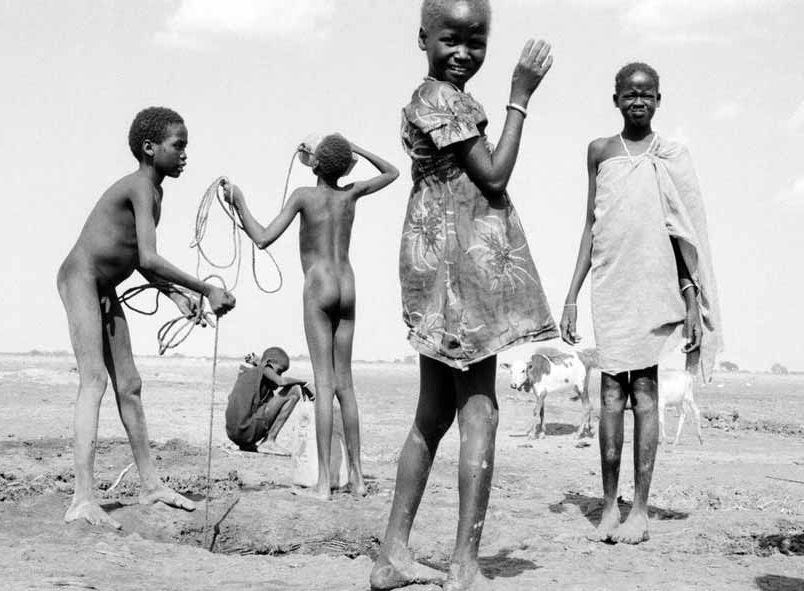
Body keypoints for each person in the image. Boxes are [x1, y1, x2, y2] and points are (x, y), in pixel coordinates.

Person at [370, 2, 557, 589]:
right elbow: (495, 174)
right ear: (422, 37)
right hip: (457, 274)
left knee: (434, 410)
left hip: (442, 267)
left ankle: (392, 554)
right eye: (451, 39)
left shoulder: (440, 99)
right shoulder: (441, 101)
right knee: (481, 411)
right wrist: (520, 95)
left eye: (475, 42)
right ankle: (463, 563)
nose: (463, 52)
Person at [560, 62, 722, 544]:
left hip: (654, 287)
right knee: (610, 394)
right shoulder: (599, 152)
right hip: (610, 285)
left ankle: (642, 510)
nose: (638, 100)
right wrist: (570, 294)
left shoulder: (670, 157)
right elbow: (591, 224)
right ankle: (609, 507)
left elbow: (682, 234)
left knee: (646, 393)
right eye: (629, 93)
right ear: (615, 99)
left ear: (658, 99)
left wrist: (692, 300)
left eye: (647, 93)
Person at [56, 106, 236, 529]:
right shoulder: (139, 185)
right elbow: (151, 257)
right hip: (81, 278)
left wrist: (174, 295)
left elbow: (138, 259)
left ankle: (151, 483)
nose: (185, 154)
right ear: (150, 148)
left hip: (104, 287)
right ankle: (82, 497)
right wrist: (204, 288)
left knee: (130, 386)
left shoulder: (155, 192)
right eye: (179, 146)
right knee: (95, 380)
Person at [223, 134, 398, 498]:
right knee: (345, 387)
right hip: (347, 284)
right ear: (345, 167)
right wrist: (353, 151)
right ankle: (359, 479)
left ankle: (323, 485)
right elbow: (392, 171)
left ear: (315, 165)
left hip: (318, 285)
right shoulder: (350, 193)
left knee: (324, 385)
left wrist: (239, 202)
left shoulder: (304, 195)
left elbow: (263, 237)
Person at [225, 346, 312, 455]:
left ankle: (249, 444)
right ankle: (269, 441)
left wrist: (259, 363)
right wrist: (304, 383)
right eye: (279, 371)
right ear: (269, 363)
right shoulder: (264, 368)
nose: (279, 375)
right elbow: (281, 382)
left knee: (268, 396)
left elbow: (269, 376)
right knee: (293, 391)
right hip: (245, 430)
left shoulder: (254, 372)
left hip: (234, 433)